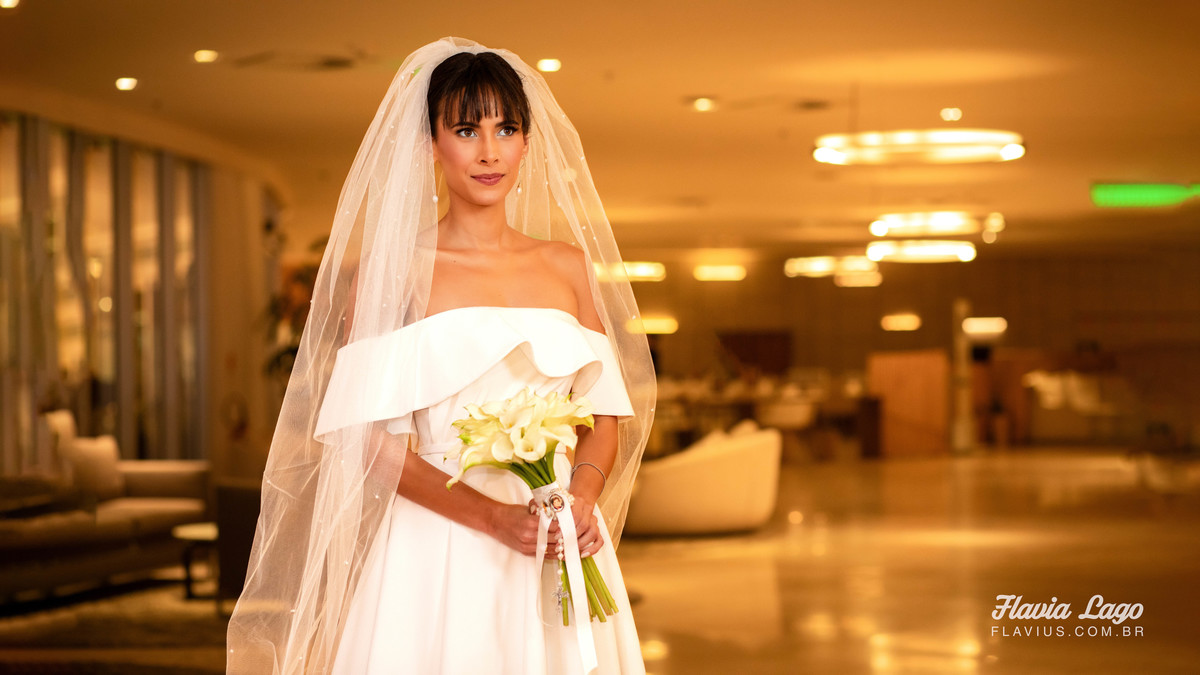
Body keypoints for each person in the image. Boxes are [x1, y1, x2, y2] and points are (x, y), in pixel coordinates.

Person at [226, 37, 656, 675]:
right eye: (465, 130)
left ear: (527, 143)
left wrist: (582, 497)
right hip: (439, 543)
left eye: (506, 129)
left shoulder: (567, 267)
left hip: (556, 536)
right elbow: (364, 439)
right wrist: (491, 517)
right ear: (430, 143)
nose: (489, 152)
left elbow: (604, 415)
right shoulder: (395, 272)